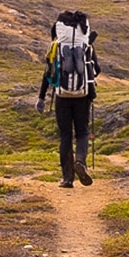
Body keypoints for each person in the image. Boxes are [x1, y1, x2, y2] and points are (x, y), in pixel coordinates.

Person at [36, 11, 100, 188]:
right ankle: (81, 161)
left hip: (62, 96)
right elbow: (97, 70)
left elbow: (47, 74)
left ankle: (67, 178)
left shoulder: (55, 47)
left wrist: (41, 98)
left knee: (65, 136)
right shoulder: (86, 46)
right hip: (83, 96)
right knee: (82, 132)